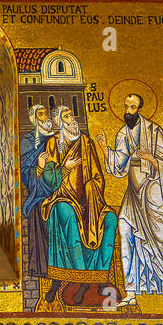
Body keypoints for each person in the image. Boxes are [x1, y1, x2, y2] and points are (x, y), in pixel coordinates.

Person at [98, 92, 163, 314]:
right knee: (125, 230)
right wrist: (102, 148)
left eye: (132, 107)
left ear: (140, 109)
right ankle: (131, 292)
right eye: (126, 106)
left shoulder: (154, 131)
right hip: (132, 194)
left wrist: (151, 160)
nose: (128, 111)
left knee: (162, 237)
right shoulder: (122, 134)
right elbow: (118, 167)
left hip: (153, 191)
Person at [36, 106, 121, 308]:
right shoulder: (52, 145)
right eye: (66, 117)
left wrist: (92, 189)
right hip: (61, 199)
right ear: (59, 122)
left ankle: (100, 277)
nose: (71, 119)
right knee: (67, 213)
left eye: (71, 115)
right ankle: (80, 280)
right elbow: (48, 181)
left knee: (110, 219)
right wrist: (66, 169)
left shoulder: (87, 143)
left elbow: (98, 177)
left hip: (90, 202)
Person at [20, 104, 53, 284]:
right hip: (38, 192)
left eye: (46, 113)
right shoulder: (28, 140)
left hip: (61, 188)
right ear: (34, 119)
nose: (44, 117)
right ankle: (44, 268)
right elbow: (24, 170)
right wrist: (39, 168)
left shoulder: (58, 138)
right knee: (39, 213)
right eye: (40, 114)